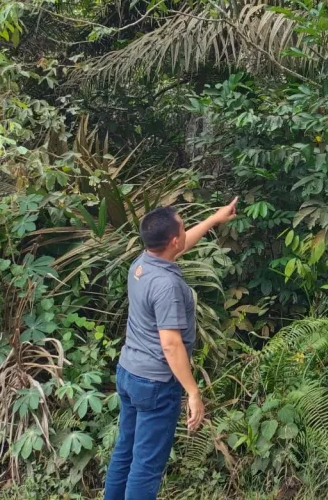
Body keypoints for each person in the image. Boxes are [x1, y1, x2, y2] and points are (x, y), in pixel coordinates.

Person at [104, 198, 239, 500]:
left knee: (124, 452)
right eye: (183, 227)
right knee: (146, 466)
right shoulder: (166, 285)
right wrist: (193, 392)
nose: (185, 230)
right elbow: (170, 343)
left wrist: (215, 219)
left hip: (129, 373)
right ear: (173, 240)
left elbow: (182, 242)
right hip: (155, 384)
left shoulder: (142, 263)